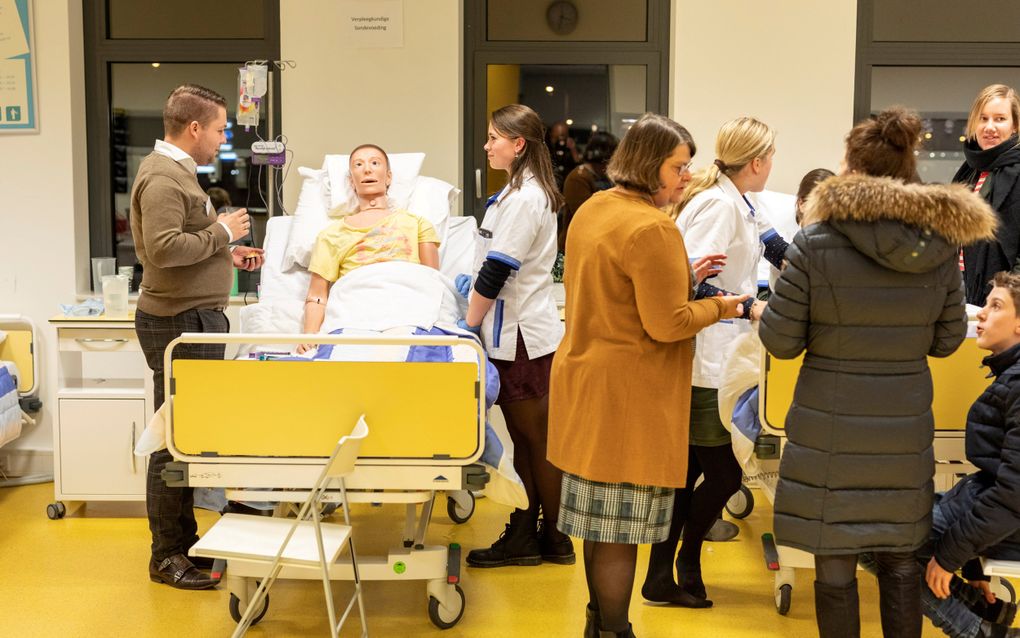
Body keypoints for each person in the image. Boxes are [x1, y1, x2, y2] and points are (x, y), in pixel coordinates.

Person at [758, 106, 996, 638]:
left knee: (835, 563)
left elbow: (779, 339)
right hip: (901, 429)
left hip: (828, 432)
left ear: (851, 167)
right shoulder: (938, 245)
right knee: (900, 561)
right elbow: (947, 339)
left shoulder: (815, 243)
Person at [547, 112, 748, 638]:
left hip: (588, 381)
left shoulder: (595, 207)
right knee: (619, 531)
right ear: (648, 164)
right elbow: (668, 324)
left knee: (599, 522)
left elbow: (616, 285)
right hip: (629, 396)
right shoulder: (652, 227)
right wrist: (724, 307)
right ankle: (615, 629)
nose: (686, 178)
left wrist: (682, 274)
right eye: (678, 167)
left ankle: (599, 623)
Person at [643, 116, 787, 607]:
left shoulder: (743, 202)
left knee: (685, 474)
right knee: (724, 475)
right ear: (759, 161)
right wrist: (750, 305)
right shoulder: (717, 205)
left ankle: (662, 574)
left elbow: (777, 248)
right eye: (772, 158)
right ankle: (684, 560)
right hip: (706, 356)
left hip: (723, 354)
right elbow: (691, 284)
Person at [130, 84, 264, 590]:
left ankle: (183, 546)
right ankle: (166, 556)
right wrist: (224, 234)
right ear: (194, 129)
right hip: (178, 323)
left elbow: (184, 242)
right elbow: (163, 250)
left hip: (193, 317)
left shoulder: (179, 173)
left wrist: (223, 257)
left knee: (186, 439)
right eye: (219, 128)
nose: (222, 137)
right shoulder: (165, 178)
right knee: (173, 442)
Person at [459, 104, 572, 569]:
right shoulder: (516, 193)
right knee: (527, 441)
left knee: (536, 440)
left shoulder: (525, 199)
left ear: (518, 143)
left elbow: (498, 270)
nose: (487, 146)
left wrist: (466, 326)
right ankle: (531, 533)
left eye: (493, 138)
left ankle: (555, 537)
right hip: (518, 331)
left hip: (520, 336)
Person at [295, 144, 440, 353]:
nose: (367, 169)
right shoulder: (331, 236)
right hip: (355, 311)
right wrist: (309, 334)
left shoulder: (417, 224)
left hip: (407, 307)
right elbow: (317, 295)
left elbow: (431, 282)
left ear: (388, 177)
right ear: (350, 181)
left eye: (375, 163)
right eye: (358, 164)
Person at [957, 84, 1020, 307]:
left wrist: (1007, 295)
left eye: (1000, 119)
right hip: (960, 294)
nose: (989, 127)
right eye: (983, 119)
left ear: (1015, 126)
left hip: (1004, 302)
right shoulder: (968, 171)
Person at [561, 131, 618, 250]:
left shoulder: (605, 177)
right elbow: (584, 216)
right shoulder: (578, 177)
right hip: (578, 246)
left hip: (597, 243)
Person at [548, 120, 581, 190]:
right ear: (551, 135)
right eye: (557, 137)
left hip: (569, 186)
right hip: (551, 186)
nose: (560, 141)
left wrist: (573, 149)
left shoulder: (572, 150)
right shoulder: (547, 150)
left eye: (563, 136)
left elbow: (579, 167)